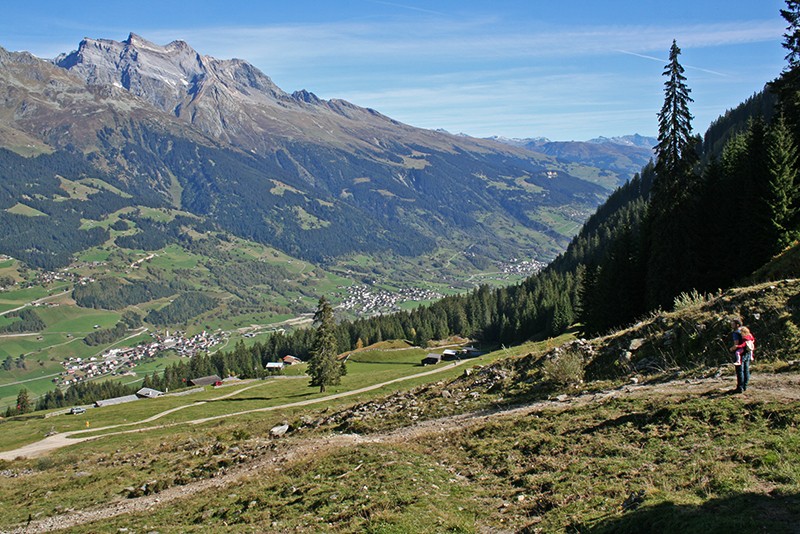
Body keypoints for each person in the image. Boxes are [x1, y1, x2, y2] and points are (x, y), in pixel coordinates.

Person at [729, 319, 754, 393]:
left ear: (737, 325)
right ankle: (745, 386)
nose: (731, 325)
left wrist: (732, 349)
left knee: (740, 370)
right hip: (748, 351)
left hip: (740, 352)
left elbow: (736, 343)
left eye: (733, 324)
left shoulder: (736, 333)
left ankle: (740, 388)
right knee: (746, 369)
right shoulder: (745, 330)